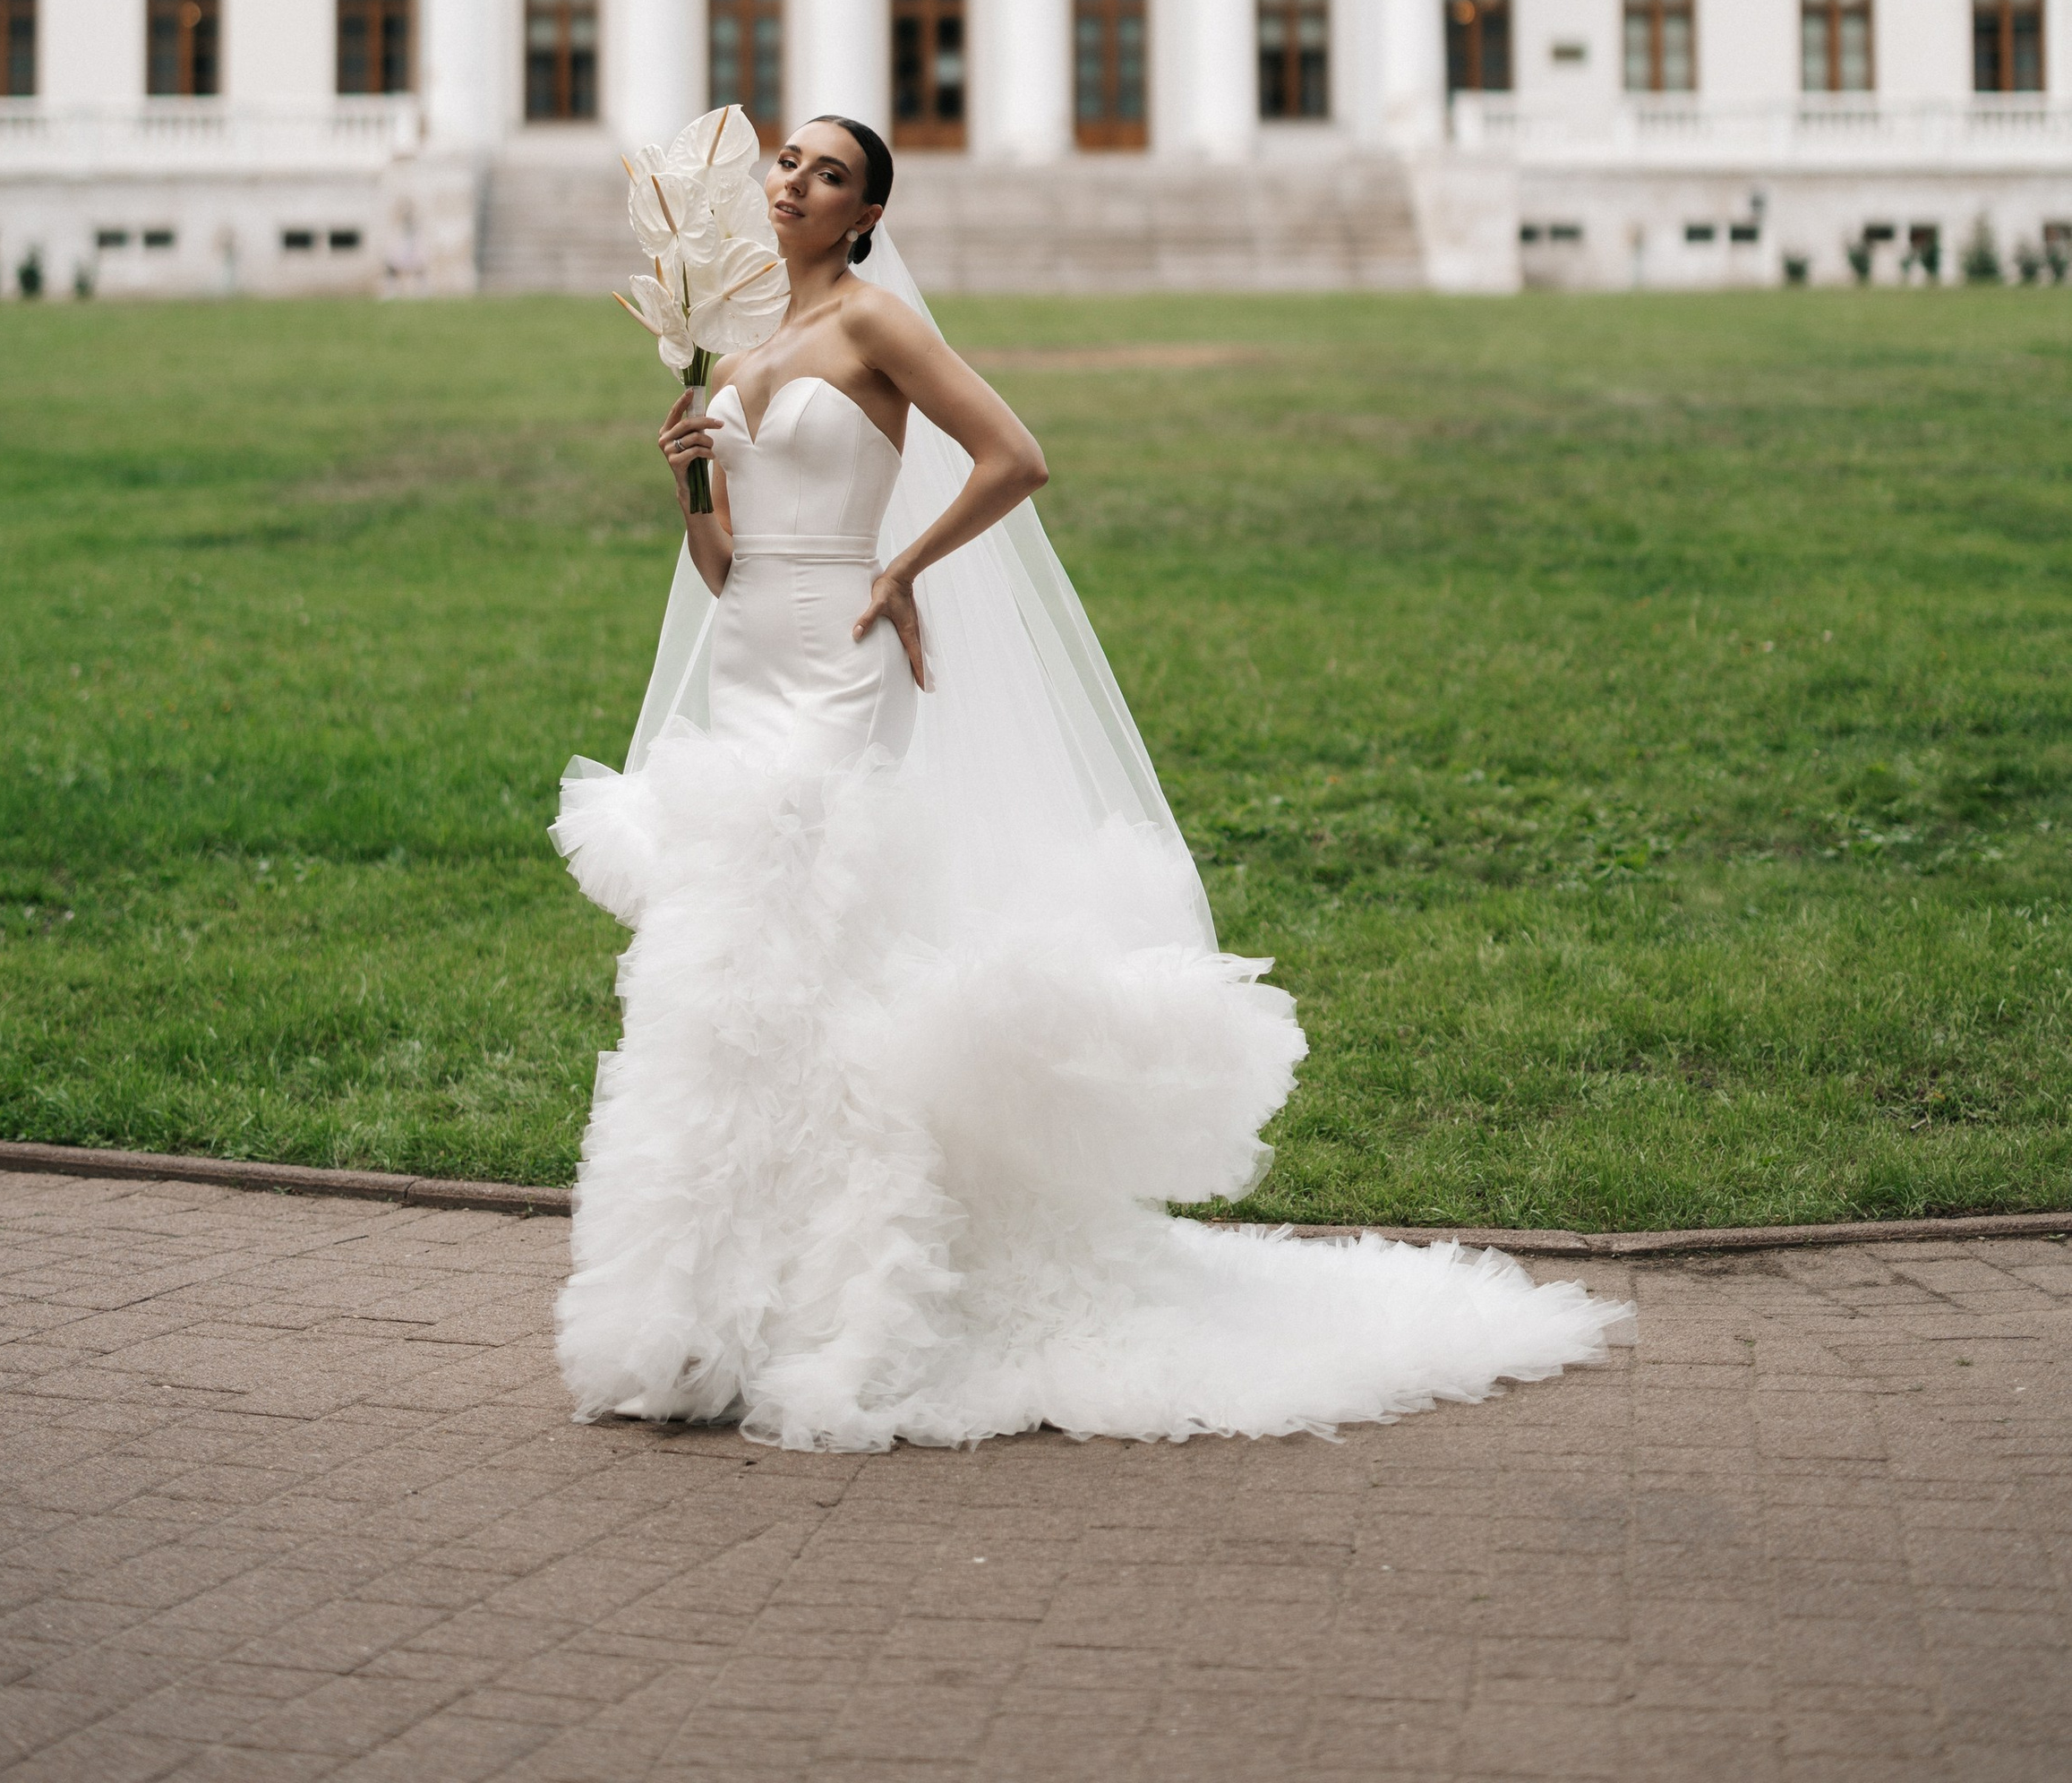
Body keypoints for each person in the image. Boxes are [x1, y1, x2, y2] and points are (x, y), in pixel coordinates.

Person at [554, 116, 1630, 1452]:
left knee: (818, 950)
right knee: (724, 975)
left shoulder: (878, 329)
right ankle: (705, 1308)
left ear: (864, 215)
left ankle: (858, 1299)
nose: (792, 182)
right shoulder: (742, 346)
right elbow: (726, 572)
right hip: (751, 652)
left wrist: (902, 570)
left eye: (828, 174)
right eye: (786, 161)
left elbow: (1016, 456)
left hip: (841, 668)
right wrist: (691, 494)